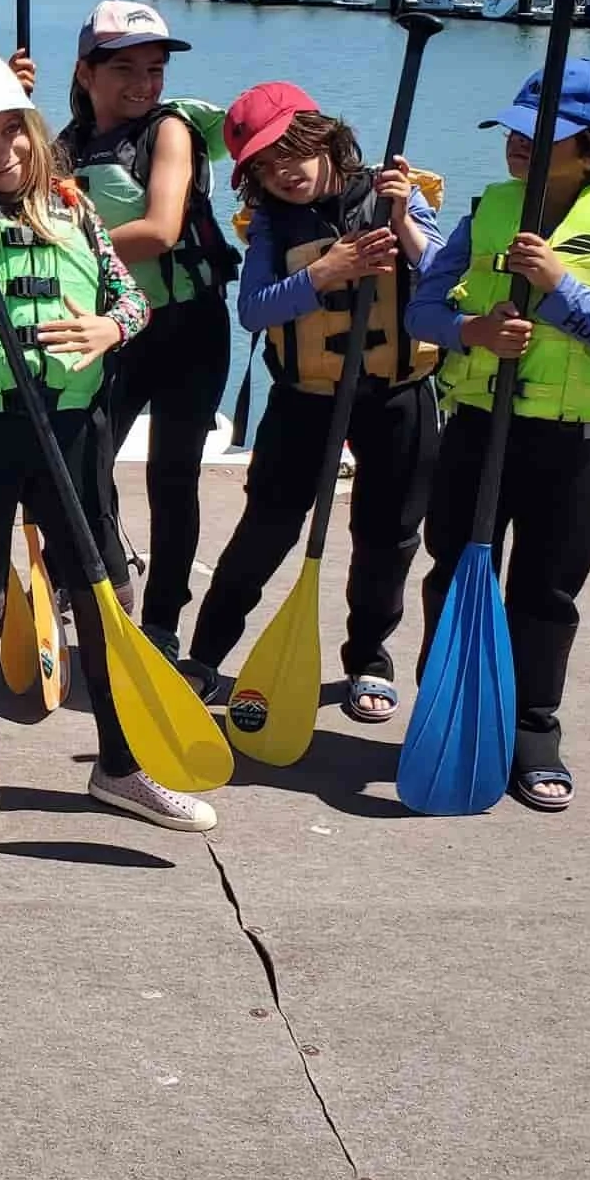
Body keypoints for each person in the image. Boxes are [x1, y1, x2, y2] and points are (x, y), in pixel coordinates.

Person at [0, 55, 216, 834]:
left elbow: (130, 300)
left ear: (34, 130)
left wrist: (107, 328)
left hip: (70, 428)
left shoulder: (74, 209)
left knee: (107, 598)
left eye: (13, 132)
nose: (3, 153)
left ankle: (121, 765)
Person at [405, 59, 590, 812]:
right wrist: (472, 330)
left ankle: (533, 731)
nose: (519, 144)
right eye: (514, 130)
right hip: (480, 430)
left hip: (566, 446)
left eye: (543, 136)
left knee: (546, 593)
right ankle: (449, 706)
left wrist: (557, 287)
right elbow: (422, 310)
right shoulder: (487, 210)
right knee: (454, 572)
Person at [181, 82, 439, 724]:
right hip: (305, 400)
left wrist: (405, 225)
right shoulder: (271, 225)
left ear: (325, 139)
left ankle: (368, 660)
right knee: (265, 531)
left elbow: (445, 280)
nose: (283, 173)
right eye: (265, 167)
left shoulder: (394, 195)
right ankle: (206, 656)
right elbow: (254, 309)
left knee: (386, 538)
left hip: (397, 396)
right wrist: (326, 271)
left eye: (291, 153)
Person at [47, 0, 240, 663]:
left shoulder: (170, 131)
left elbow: (160, 229)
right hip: (114, 329)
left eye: (154, 68)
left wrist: (63, 245)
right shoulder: (64, 146)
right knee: (84, 469)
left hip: (189, 328)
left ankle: (161, 621)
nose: (143, 83)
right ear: (85, 72)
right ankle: (97, 581)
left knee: (172, 477)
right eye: (124, 68)